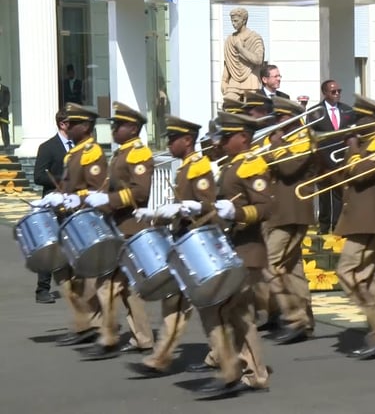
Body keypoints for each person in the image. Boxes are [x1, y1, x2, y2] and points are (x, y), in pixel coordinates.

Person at [128, 115, 218, 376]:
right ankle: (165, 356)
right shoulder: (185, 167)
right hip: (183, 242)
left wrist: (179, 209)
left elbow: (207, 208)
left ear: (187, 141)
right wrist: (156, 214)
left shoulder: (199, 167)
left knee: (198, 306)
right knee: (180, 303)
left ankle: (168, 357)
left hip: (196, 244)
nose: (168, 143)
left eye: (172, 139)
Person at [193, 111, 271, 396]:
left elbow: (264, 208)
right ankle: (252, 373)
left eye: (227, 137)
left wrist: (236, 212)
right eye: (222, 137)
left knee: (227, 310)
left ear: (244, 137)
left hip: (249, 249)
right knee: (237, 313)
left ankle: (235, 371)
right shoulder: (231, 165)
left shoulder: (251, 165)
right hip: (233, 248)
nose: (222, 142)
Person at [81, 102, 155, 361]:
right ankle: (143, 338)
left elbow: (140, 192)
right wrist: (90, 196)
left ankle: (108, 336)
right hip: (119, 226)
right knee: (128, 289)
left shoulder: (138, 153)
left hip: (130, 228)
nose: (113, 129)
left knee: (106, 285)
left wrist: (108, 201)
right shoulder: (122, 152)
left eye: (117, 125)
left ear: (133, 128)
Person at [35, 103, 104, 345]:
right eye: (69, 123)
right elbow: (38, 175)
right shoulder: (49, 147)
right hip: (59, 209)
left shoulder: (87, 150)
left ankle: (94, 325)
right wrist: (57, 190)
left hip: (80, 216)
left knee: (85, 274)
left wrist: (73, 194)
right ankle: (84, 323)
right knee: (60, 264)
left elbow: (94, 184)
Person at [334, 94, 375, 360]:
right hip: (360, 218)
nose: (356, 124)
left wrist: (352, 147)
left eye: (360, 119)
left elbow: (360, 174)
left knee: (346, 271)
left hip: (369, 220)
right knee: (371, 279)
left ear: (372, 120)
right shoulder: (366, 143)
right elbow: (346, 178)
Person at [259, 96, 317, 344]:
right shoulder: (281, 139)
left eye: (282, 118)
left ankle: (294, 318)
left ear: (293, 118)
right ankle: (305, 319)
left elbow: (289, 168)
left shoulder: (304, 139)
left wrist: (274, 146)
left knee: (270, 264)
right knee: (293, 269)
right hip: (279, 212)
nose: (277, 122)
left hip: (292, 212)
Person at [32, 109, 71, 304]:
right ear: (63, 124)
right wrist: (61, 181)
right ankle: (42, 289)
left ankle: (75, 284)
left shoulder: (81, 147)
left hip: (75, 202)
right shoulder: (47, 147)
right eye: (74, 123)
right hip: (53, 202)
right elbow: (38, 176)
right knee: (50, 245)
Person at [310, 79, 354, 234]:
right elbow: (311, 137)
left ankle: (337, 226)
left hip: (341, 159)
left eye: (339, 91)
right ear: (325, 93)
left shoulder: (348, 111)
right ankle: (323, 226)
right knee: (323, 194)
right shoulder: (315, 112)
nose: (337, 94)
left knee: (339, 194)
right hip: (322, 160)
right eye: (333, 91)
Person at [221, 7, 265, 101]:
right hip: (234, 81)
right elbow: (228, 63)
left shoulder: (254, 37)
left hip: (251, 80)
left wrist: (241, 49)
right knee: (229, 105)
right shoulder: (230, 39)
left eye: (236, 21)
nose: (233, 23)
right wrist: (224, 80)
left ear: (244, 20)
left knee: (251, 111)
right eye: (232, 21)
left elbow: (258, 60)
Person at [0, 75, 10, 148]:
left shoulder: (5, 89)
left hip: (3, 114)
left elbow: (7, 101)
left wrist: (1, 109)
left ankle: (7, 145)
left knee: (4, 130)